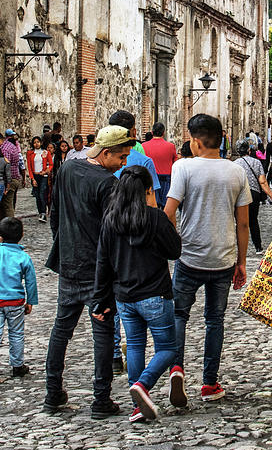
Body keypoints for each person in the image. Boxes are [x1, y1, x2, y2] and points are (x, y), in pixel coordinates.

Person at [44, 125, 135, 417]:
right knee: (103, 333)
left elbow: (55, 213)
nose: (124, 163)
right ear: (106, 152)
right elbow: (114, 234)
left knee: (61, 329)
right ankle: (100, 399)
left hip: (69, 264)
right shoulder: (109, 183)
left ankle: (52, 393)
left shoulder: (68, 169)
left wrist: (63, 245)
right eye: (121, 157)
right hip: (97, 269)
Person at [164, 114, 251, 405]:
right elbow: (243, 224)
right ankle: (209, 383)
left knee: (179, 315)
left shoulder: (183, 167)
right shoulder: (237, 171)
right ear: (221, 138)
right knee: (215, 320)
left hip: (189, 256)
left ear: (195, 141)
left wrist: (175, 243)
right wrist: (242, 262)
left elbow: (169, 212)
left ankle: (177, 368)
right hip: (223, 258)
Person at [92, 165, 181, 423]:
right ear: (146, 190)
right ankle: (143, 384)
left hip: (125, 297)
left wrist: (101, 299)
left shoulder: (110, 220)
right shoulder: (155, 218)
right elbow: (174, 251)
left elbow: (103, 261)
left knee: (135, 345)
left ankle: (136, 405)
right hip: (155, 294)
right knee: (168, 348)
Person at [109, 110, 162, 371]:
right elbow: (153, 201)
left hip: (112, 234)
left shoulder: (100, 162)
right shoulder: (143, 161)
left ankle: (115, 353)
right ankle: (135, 355)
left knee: (115, 296)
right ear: (132, 132)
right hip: (139, 236)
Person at [0, 216, 38, 377]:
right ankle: (17, 365)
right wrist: (31, 301)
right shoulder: (24, 257)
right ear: (21, 235)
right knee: (16, 333)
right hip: (15, 302)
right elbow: (31, 282)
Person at [235, 139, 272, 253]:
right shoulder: (256, 162)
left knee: (239, 221)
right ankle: (258, 247)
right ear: (249, 150)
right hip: (254, 194)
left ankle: (240, 247)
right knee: (253, 221)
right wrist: (271, 195)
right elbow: (262, 181)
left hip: (240, 194)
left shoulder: (235, 164)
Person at [142, 122, 177, 208]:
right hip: (166, 179)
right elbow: (175, 162)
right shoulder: (171, 146)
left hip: (150, 178)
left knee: (152, 205)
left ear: (152, 132)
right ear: (163, 133)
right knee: (165, 206)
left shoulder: (144, 146)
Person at [26, 136, 52, 222]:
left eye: (38, 142)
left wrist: (46, 171)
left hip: (43, 175)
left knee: (42, 193)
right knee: (37, 195)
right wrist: (32, 179)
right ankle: (40, 212)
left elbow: (51, 164)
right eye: (34, 142)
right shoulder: (30, 153)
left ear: (41, 143)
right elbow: (29, 167)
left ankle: (44, 213)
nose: (36, 144)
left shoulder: (45, 152)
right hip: (35, 175)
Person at [0, 131, 23, 218]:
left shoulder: (4, 149)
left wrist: (7, 184)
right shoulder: (9, 145)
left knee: (7, 205)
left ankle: (10, 226)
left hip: (9, 180)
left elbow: (6, 167)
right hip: (13, 178)